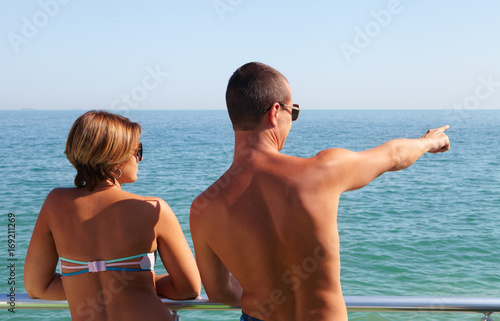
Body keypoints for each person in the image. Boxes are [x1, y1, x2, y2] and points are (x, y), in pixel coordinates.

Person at [190, 62, 450, 321]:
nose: (292, 121)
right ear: (275, 112)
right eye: (294, 112)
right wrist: (428, 142)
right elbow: (393, 155)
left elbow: (220, 293)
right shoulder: (321, 172)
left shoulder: (204, 208)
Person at [25, 110, 200, 321]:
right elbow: (189, 288)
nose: (139, 159)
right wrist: (137, 282)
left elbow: (38, 287)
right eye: (138, 151)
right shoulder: (154, 209)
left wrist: (87, 284)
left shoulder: (55, 203)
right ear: (115, 159)